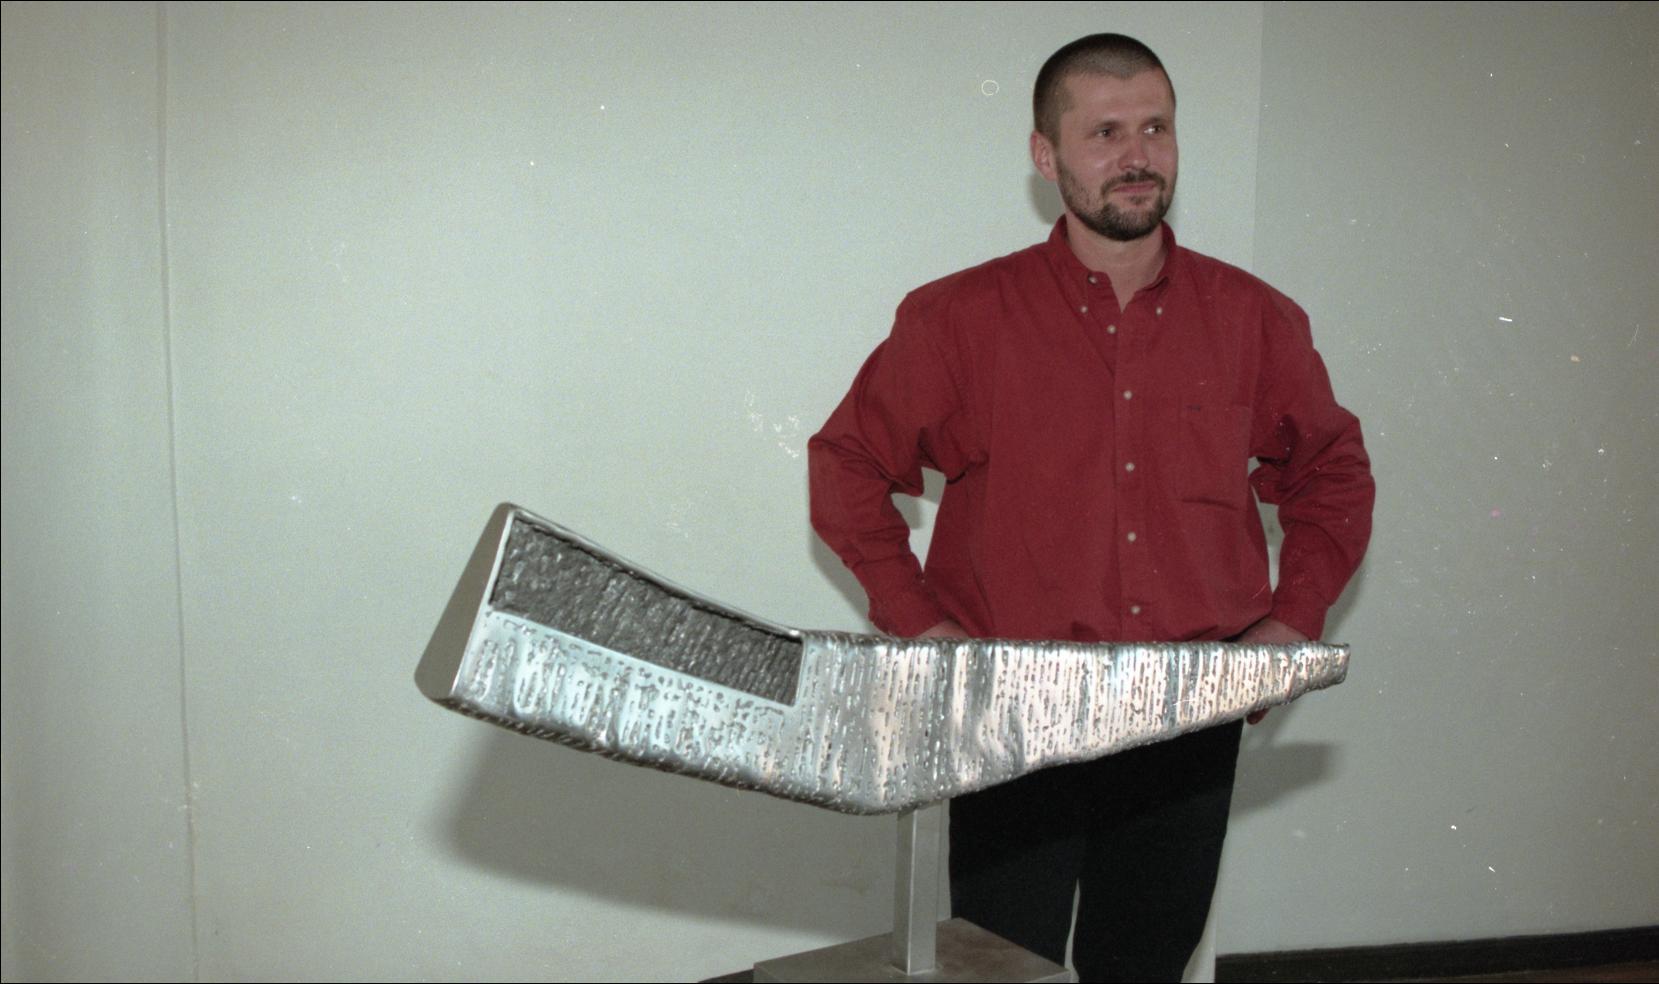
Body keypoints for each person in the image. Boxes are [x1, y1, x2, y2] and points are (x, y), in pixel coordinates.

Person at [806, 32, 1374, 983]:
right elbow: (847, 463)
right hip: (1011, 710)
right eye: (1104, 133)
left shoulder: (1253, 319)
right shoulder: (958, 318)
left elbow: (1332, 471)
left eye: (1155, 128)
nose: (1136, 155)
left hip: (1188, 706)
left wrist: (1292, 620)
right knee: (1001, 965)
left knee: (1145, 965)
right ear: (1047, 155)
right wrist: (925, 629)